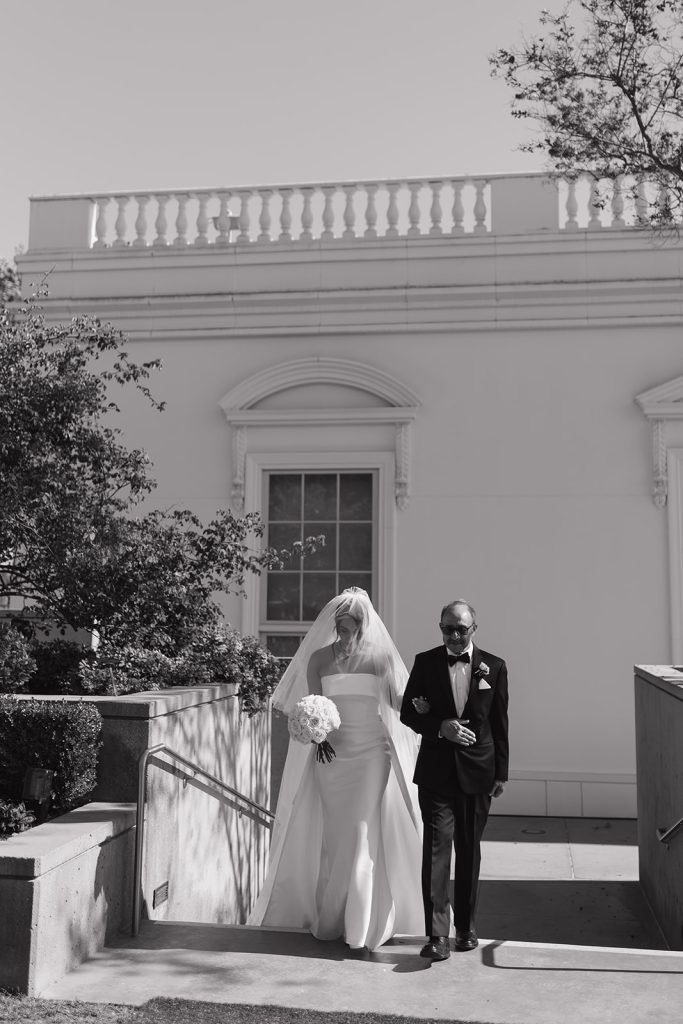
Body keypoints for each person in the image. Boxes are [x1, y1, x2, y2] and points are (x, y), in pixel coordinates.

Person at [248, 587, 424, 951]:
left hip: (372, 755)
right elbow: (312, 705)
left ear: (363, 627)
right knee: (337, 837)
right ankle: (334, 918)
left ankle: (361, 925)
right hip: (332, 756)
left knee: (361, 835)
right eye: (340, 628)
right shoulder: (318, 659)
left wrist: (424, 704)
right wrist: (314, 733)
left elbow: (398, 705)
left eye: (351, 629)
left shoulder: (380, 659)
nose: (345, 636)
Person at [400, 599, 509, 962]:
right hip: (436, 773)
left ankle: (466, 928)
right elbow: (407, 714)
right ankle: (436, 935)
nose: (455, 635)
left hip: (479, 772)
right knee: (435, 852)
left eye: (461, 629)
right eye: (448, 628)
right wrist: (440, 727)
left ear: (473, 629)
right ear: (441, 627)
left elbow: (500, 724)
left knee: (469, 852)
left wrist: (501, 774)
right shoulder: (425, 662)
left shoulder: (494, 666)